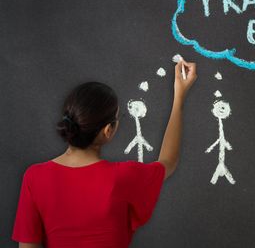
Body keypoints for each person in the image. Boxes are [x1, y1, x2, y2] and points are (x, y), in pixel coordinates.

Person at [12, 59, 197, 248]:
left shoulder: (34, 177)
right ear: (108, 130)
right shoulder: (123, 176)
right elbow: (169, 161)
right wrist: (179, 97)